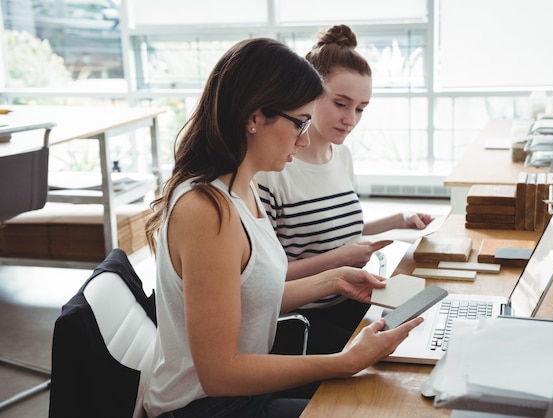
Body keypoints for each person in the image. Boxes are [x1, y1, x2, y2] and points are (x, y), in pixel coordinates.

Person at [142, 38, 423, 418]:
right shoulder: (206, 210)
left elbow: (246, 298)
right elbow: (219, 374)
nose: (305, 138)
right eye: (299, 123)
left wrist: (331, 280)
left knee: (393, 394)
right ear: (254, 117)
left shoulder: (244, 187)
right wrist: (342, 362)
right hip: (207, 406)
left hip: (247, 393)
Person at [256, 25, 434, 355]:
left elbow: (333, 231)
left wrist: (399, 219)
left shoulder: (342, 156)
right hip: (302, 319)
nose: (350, 119)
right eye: (341, 104)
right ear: (310, 93)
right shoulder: (272, 170)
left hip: (348, 300)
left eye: (361, 108)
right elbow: (264, 277)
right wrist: (339, 260)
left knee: (423, 326)